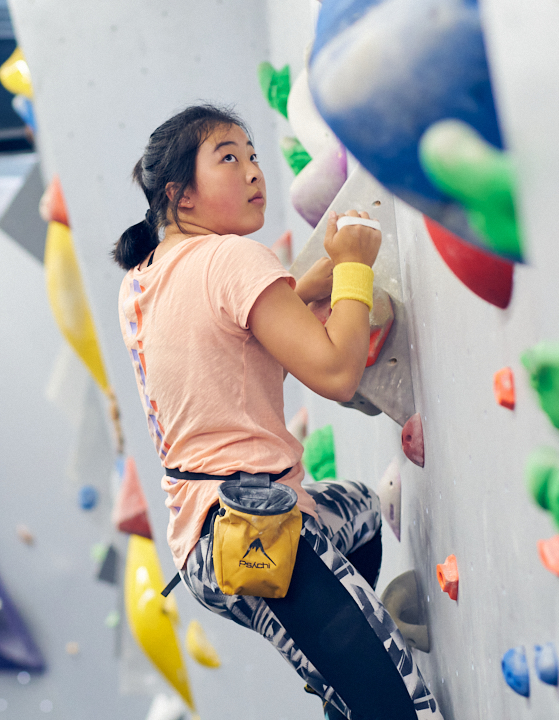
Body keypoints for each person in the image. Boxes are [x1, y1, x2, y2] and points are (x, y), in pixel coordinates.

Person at [113, 104, 441, 720]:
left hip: (206, 550)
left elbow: (225, 346)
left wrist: (301, 287)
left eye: (253, 155)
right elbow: (338, 374)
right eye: (228, 158)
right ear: (182, 197)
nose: (253, 171)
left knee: (362, 512)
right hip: (263, 537)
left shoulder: (140, 281)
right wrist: (353, 268)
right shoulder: (233, 260)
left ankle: (340, 669)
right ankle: (352, 668)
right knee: (409, 711)